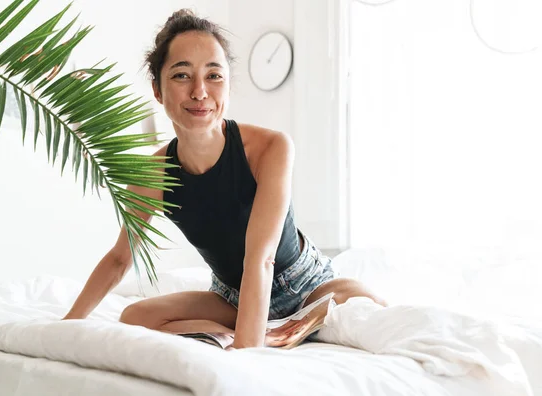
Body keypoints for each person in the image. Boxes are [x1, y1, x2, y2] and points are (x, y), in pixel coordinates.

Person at [63, 9, 386, 349]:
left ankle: (273, 329)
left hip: (306, 286)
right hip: (231, 298)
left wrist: (245, 352)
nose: (200, 92)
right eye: (182, 75)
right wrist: (66, 326)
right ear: (157, 90)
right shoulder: (152, 174)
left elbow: (261, 258)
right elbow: (119, 259)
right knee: (134, 317)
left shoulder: (270, 147)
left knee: (376, 312)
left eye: (214, 76)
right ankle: (265, 331)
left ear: (228, 85)